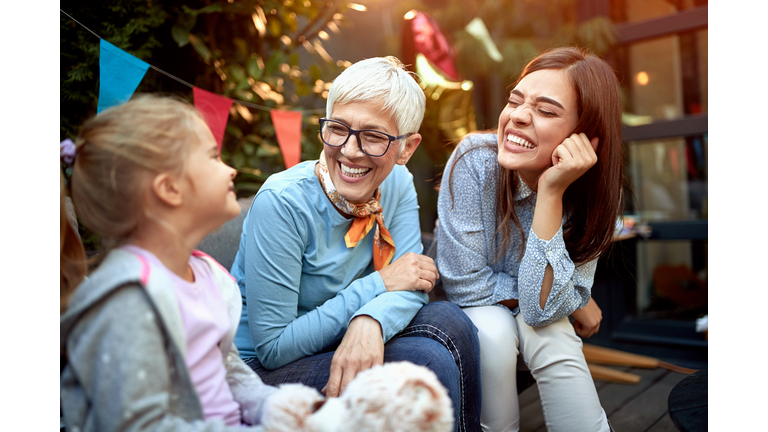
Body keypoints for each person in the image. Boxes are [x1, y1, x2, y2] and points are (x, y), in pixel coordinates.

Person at [231, 56, 482, 432]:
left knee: (453, 321)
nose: (350, 150)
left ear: (407, 148)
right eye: (338, 129)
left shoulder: (396, 183)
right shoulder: (282, 203)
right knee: (425, 360)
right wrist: (379, 286)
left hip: (334, 339)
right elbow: (273, 348)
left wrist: (372, 321)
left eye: (374, 137)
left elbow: (411, 283)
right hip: (261, 373)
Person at [60, 95, 281, 431]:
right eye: (213, 157)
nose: (230, 168)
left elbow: (227, 369)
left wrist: (275, 409)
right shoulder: (129, 299)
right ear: (170, 189)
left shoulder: (207, 275)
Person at [436, 46, 623, 432]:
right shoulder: (475, 159)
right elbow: (464, 284)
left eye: (546, 110)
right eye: (515, 101)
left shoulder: (595, 195)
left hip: (529, 311)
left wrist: (551, 192)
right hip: (461, 311)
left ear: (586, 139)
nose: (517, 117)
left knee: (552, 331)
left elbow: (541, 311)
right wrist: (573, 298)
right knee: (496, 331)